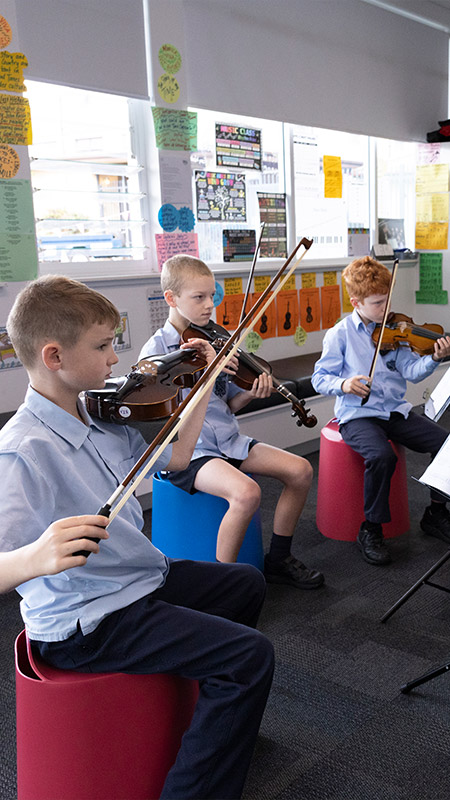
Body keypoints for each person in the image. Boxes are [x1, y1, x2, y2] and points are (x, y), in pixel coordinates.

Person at [0, 275, 275, 800]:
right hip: (89, 621)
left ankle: (218, 723)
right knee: (249, 656)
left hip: (134, 578)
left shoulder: (100, 412)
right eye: (103, 346)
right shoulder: (22, 451)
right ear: (54, 356)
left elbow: (173, 458)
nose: (114, 359)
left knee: (245, 585)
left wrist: (200, 387)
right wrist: (35, 557)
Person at [139, 254, 324, 589]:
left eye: (212, 295)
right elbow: (161, 421)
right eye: (199, 297)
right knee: (246, 493)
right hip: (188, 452)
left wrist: (251, 394)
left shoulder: (214, 340)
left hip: (228, 440)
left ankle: (279, 559)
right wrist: (205, 377)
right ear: (171, 298)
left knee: (301, 470)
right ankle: (225, 586)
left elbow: (227, 407)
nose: (210, 305)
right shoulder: (155, 355)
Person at [312, 255, 450, 566]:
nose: (384, 309)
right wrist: (345, 384)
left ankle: (436, 512)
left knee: (446, 444)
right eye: (376, 303)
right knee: (381, 456)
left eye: (386, 300)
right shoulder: (340, 334)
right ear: (355, 301)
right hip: (357, 415)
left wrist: (434, 358)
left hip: (395, 412)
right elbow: (320, 378)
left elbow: (411, 371)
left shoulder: (395, 330)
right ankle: (370, 528)